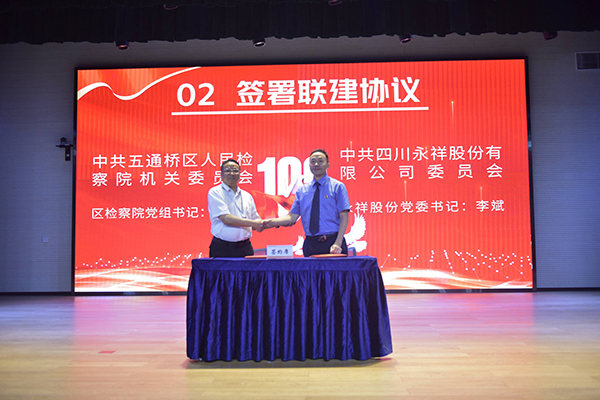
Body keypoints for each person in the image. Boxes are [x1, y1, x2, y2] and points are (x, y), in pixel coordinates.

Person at [264, 149, 350, 256]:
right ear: (309, 165)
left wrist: (338, 243)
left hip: (333, 242)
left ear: (328, 165)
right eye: (313, 161)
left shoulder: (338, 187)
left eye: (320, 161)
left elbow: (344, 217)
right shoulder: (302, 191)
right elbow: (292, 217)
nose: (316, 164)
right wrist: (272, 222)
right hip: (310, 244)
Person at [207, 159, 263, 257]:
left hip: (245, 247)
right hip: (222, 248)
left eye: (235, 170)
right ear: (221, 174)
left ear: (240, 174)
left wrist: (272, 223)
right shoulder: (215, 192)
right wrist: (254, 223)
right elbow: (226, 219)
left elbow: (255, 221)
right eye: (228, 170)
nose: (232, 173)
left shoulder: (247, 196)